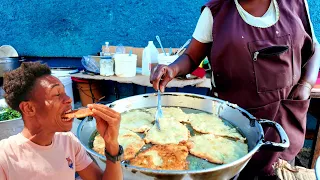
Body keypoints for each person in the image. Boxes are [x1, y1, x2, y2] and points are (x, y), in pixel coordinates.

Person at [150, 0, 320, 179]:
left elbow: (314, 48)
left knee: (280, 172)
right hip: (233, 126)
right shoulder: (215, 12)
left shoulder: (296, 4)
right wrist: (173, 69)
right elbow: (192, 56)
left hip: (284, 120)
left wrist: (306, 84)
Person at [0, 62, 123, 180]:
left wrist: (111, 143)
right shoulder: (5, 156)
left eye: (64, 92)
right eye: (57, 94)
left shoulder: (68, 142)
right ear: (29, 108)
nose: (69, 99)